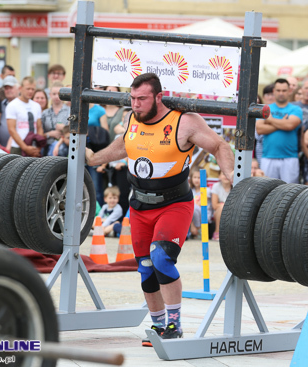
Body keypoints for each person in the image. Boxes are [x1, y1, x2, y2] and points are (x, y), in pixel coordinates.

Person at [85, 73, 235, 345]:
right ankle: (157, 326)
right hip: (140, 205)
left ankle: (174, 324)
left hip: (174, 204)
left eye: (142, 99)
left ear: (158, 97)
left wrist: (233, 177)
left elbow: (219, 145)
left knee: (161, 258)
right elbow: (123, 145)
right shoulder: (132, 118)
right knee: (144, 267)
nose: (136, 104)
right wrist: (95, 159)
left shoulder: (184, 121)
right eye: (132, 98)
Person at [256, 78, 302, 183]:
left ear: (289, 91)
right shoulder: (265, 108)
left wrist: (270, 120)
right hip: (268, 156)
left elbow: (290, 125)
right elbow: (259, 129)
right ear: (274, 91)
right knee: (267, 192)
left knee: (290, 193)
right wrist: (282, 122)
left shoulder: (296, 109)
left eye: (284, 90)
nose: (281, 93)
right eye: (278, 90)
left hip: (289, 158)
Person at [6, 77, 43, 157]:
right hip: (18, 147)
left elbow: (39, 127)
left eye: (33, 89)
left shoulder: (36, 106)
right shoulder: (12, 105)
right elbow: (11, 129)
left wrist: (39, 147)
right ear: (20, 88)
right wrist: (25, 147)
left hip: (34, 147)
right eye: (28, 89)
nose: (30, 91)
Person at [42, 82, 70, 156]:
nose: (56, 97)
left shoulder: (69, 111)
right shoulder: (45, 113)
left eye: (59, 94)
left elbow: (72, 131)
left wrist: (64, 128)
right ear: (50, 95)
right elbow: (40, 133)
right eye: (54, 94)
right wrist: (49, 134)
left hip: (63, 147)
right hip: (46, 145)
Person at [0, 76, 19, 148]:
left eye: (11, 88)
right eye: (6, 88)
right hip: (1, 147)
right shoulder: (1, 105)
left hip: (17, 146)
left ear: (18, 88)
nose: (8, 90)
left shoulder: (21, 105)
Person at [211, 171, 231, 241]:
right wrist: (224, 205)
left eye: (227, 174)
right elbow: (214, 205)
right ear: (219, 176)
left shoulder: (235, 186)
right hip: (218, 212)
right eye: (223, 174)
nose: (226, 176)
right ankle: (217, 231)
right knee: (221, 207)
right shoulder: (216, 186)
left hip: (231, 211)